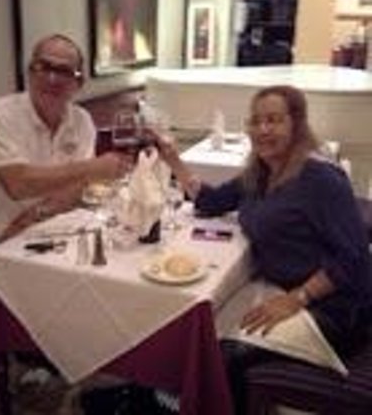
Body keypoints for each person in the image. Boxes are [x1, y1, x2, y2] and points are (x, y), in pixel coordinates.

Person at [156, 85, 372, 414]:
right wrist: (172, 158)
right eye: (255, 121)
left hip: (336, 308)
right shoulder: (260, 173)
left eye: (273, 120)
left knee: (223, 357)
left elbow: (354, 258)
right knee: (199, 329)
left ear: (297, 124)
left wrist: (298, 298)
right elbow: (212, 201)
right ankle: (175, 399)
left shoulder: (321, 178)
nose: (262, 129)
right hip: (280, 286)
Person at [0, 34, 131, 300]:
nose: (52, 78)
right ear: (30, 72)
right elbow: (18, 184)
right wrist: (92, 168)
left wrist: (32, 217)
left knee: (99, 292)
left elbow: (78, 190)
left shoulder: (81, 121)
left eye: (64, 71)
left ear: (78, 82)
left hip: (43, 238)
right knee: (65, 301)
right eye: (44, 67)